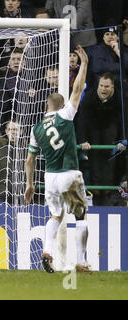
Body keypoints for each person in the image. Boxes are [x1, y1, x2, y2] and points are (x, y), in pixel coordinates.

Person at [24, 45, 90, 273]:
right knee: (80, 215)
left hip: (49, 177)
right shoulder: (65, 114)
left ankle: (47, 251)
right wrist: (85, 64)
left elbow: (29, 160)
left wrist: (30, 184)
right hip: (69, 173)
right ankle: (81, 261)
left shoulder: (36, 127)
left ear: (45, 107)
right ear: (61, 106)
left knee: (55, 215)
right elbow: (78, 89)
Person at [76, 73, 127, 206]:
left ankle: (110, 194)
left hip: (111, 130)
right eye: (101, 86)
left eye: (107, 86)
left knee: (112, 162)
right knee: (95, 164)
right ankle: (96, 195)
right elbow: (82, 121)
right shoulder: (89, 98)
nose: (103, 89)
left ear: (113, 87)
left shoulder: (120, 98)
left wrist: (123, 140)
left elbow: (123, 120)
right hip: (93, 131)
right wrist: (83, 140)